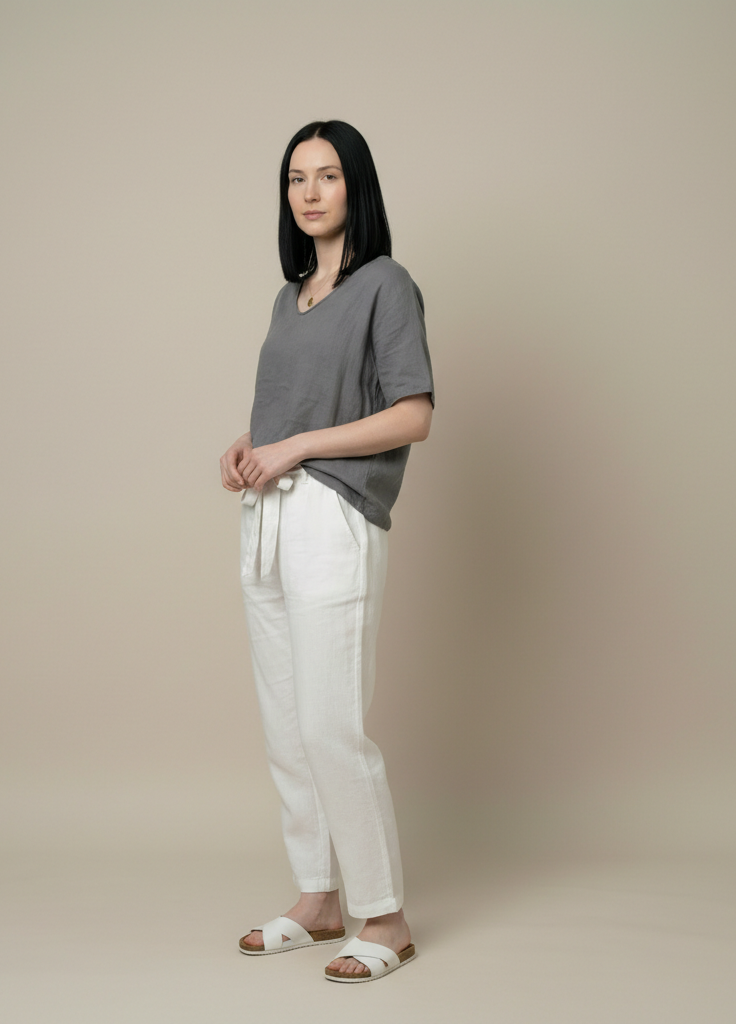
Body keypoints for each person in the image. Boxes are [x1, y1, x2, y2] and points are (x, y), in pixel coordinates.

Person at [219, 120, 434, 984]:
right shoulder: (291, 295)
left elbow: (413, 413)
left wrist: (299, 447)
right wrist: (250, 445)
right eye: (296, 178)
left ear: (357, 187)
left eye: (328, 176)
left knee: (329, 722)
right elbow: (293, 410)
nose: (309, 193)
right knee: (285, 722)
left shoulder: (386, 285)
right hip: (267, 514)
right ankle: (317, 898)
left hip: (334, 515)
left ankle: (385, 914)